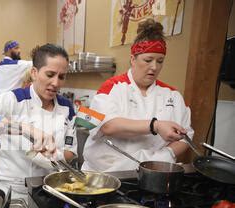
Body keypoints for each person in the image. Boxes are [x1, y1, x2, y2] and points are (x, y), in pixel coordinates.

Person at [81, 19, 193, 172]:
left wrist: (167, 154)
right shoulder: (110, 87)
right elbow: (106, 126)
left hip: (152, 174)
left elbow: (187, 135)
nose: (154, 67)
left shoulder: (173, 95)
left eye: (160, 61)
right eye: (148, 60)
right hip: (105, 174)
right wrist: (156, 125)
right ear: (133, 59)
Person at [0, 43, 77, 201]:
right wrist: (26, 129)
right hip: (12, 190)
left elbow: (70, 151)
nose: (56, 83)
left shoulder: (66, 107)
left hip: (51, 190)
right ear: (34, 73)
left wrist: (55, 156)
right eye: (50, 74)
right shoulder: (14, 99)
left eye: (61, 77)